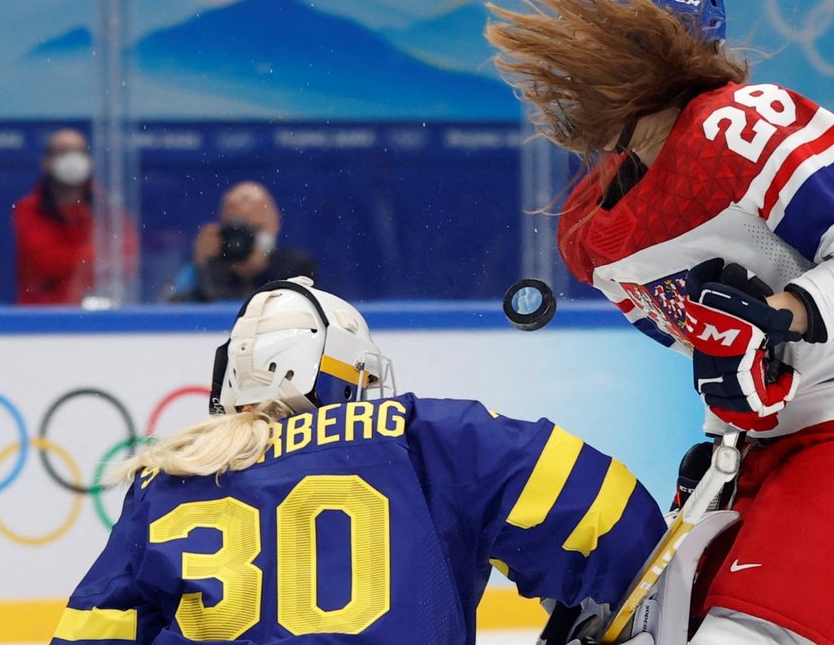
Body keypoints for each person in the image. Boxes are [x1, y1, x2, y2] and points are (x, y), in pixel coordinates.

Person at [486, 0, 834, 645]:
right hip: (771, 445)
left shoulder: (745, 126)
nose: (569, 63)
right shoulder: (587, 228)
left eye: (592, 38)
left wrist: (785, 318)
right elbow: (717, 343)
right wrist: (729, 430)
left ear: (650, 48)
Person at [52, 276, 664, 644]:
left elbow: (90, 632)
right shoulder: (426, 438)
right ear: (343, 375)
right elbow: (611, 514)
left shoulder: (169, 480)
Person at [12, 128, 135, 304]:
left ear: (90, 160)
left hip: (95, 312)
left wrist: (88, 259)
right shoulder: (28, 208)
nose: (71, 159)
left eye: (78, 151)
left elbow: (124, 260)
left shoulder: (106, 206)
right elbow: (46, 262)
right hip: (41, 315)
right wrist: (94, 256)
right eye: (62, 152)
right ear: (46, 162)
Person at [166, 181, 319, 302]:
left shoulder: (296, 266)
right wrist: (200, 266)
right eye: (238, 229)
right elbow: (173, 310)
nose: (244, 240)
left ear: (275, 224)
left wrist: (261, 272)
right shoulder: (208, 267)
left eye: (255, 229)